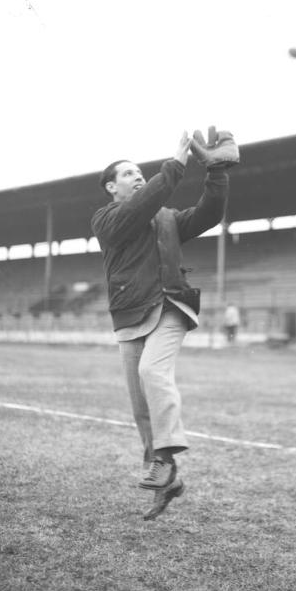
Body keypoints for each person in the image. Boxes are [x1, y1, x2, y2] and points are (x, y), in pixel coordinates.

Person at [91, 128, 237, 520]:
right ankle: (166, 476)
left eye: (139, 171)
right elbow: (139, 208)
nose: (137, 176)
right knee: (141, 407)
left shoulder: (168, 218)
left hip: (170, 306)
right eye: (127, 174)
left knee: (152, 372)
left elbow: (209, 213)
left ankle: (166, 458)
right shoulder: (107, 220)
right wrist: (173, 168)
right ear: (111, 187)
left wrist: (217, 172)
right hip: (129, 314)